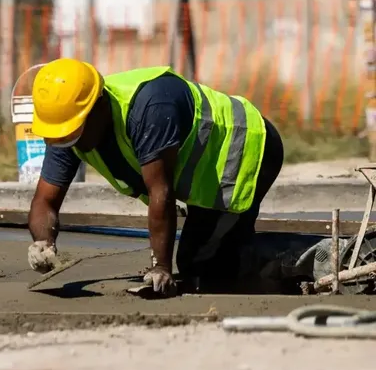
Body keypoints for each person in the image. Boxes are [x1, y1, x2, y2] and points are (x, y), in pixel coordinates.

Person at [25, 58, 284, 297]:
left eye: (74, 131)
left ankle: (293, 257)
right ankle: (245, 253)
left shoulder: (148, 108)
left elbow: (161, 192)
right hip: (204, 173)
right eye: (63, 134)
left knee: (201, 263)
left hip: (246, 149)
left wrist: (161, 266)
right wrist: (43, 241)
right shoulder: (68, 131)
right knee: (201, 255)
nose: (70, 141)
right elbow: (45, 201)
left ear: (100, 106)